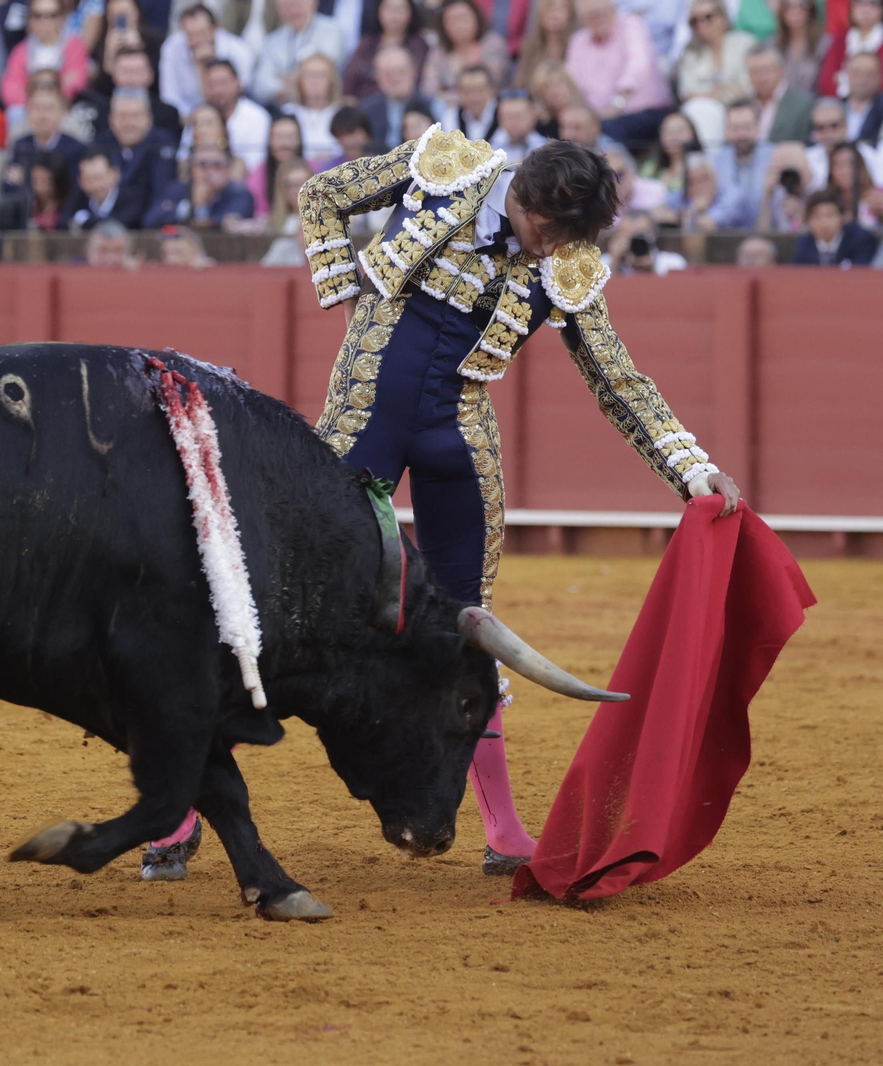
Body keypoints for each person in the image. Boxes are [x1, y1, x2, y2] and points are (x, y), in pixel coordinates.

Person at [254, 131, 736, 883]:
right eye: (552, 232)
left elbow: (618, 380)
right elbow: (321, 194)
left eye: (572, 239)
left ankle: (505, 829)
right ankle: (186, 802)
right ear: (527, 201)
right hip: (366, 414)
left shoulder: (567, 260)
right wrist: (343, 290)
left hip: (458, 434)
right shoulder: (447, 168)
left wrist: (693, 470)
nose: (556, 251)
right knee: (287, 593)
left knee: (471, 626)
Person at [564, 0, 672, 148]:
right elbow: (572, 81)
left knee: (602, 133)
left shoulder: (631, 26)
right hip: (596, 117)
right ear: (582, 20)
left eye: (602, 12)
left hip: (641, 112)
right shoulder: (578, 41)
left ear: (614, 10)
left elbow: (638, 65)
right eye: (591, 15)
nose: (598, 19)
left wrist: (616, 104)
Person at [676, 0, 756, 143]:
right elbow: (687, 94)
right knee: (701, 110)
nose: (702, 24)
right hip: (708, 114)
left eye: (708, 17)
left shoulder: (744, 44)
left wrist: (711, 94)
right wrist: (721, 92)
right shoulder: (690, 53)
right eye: (695, 20)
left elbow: (750, 87)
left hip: (744, 108)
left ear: (723, 17)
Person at [161, 4, 256, 117]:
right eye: (190, 35)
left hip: (233, 114)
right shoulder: (172, 47)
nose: (197, 40)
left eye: (202, 33)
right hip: (187, 118)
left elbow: (241, 90)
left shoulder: (239, 50)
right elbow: (170, 96)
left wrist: (208, 65)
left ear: (215, 28)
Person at [3, 0, 91, 121]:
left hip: (65, 107)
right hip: (29, 109)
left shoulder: (74, 46)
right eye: (38, 15)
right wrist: (38, 102)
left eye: (51, 15)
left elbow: (77, 81)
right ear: (30, 20)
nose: (45, 21)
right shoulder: (20, 51)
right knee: (15, 113)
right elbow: (10, 89)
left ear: (62, 18)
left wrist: (45, 98)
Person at [96, 88, 180, 206]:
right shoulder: (100, 145)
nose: (129, 123)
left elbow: (162, 194)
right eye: (122, 116)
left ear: (149, 118)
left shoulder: (163, 144)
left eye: (136, 116)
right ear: (111, 119)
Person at [420, 0, 509, 109]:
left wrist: (450, 97)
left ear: (476, 17)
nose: (459, 24)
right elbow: (428, 91)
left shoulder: (493, 44)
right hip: (447, 112)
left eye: (464, 17)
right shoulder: (439, 52)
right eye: (452, 20)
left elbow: (492, 86)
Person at [254, 0, 344, 104]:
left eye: (297, 4)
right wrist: (298, 83)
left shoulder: (332, 31)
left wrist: (286, 79)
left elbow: (325, 71)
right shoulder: (272, 40)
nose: (293, 10)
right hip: (281, 107)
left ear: (313, 4)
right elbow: (261, 83)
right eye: (287, 5)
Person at [145, 142, 255, 225]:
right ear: (192, 168)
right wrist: (190, 207)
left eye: (217, 165)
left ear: (227, 169)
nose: (209, 170)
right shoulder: (178, 189)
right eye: (203, 164)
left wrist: (201, 207)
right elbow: (151, 219)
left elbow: (228, 222)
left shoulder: (239, 193)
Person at [342, 0, 429, 102]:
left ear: (410, 12)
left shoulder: (419, 46)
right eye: (389, 9)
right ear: (379, 11)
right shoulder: (366, 44)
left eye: (400, 9)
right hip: (363, 104)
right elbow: (349, 82)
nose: (394, 15)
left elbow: (420, 84)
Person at [707, 99, 773, 226]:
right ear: (726, 130)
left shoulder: (774, 157)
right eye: (735, 128)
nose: (741, 134)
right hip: (723, 234)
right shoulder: (714, 161)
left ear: (758, 127)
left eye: (747, 127)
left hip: (769, 232)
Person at [198, 58, 273, 169]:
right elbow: (184, 156)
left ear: (237, 83)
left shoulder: (257, 117)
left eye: (223, 82)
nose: (218, 90)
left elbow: (255, 164)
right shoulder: (200, 115)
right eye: (211, 84)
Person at [6, 85, 87, 186]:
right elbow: (10, 184)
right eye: (37, 108)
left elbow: (75, 186)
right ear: (28, 113)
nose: (42, 115)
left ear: (61, 114)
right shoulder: (21, 145)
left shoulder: (76, 149)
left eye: (49, 109)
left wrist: (26, 179)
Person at [361, 46, 439, 147]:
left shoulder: (433, 106)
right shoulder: (366, 111)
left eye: (400, 71)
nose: (395, 78)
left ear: (413, 71)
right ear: (377, 77)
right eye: (387, 74)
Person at [637, 109, 701, 221]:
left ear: (693, 134)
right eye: (668, 132)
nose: (674, 137)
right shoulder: (650, 167)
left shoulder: (701, 167)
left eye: (680, 131)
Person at [746, 41, 814, 142]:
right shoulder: (745, 104)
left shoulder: (802, 104)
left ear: (781, 69)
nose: (761, 77)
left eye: (766, 70)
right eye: (754, 72)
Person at [791, 186, 880, 262]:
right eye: (817, 217)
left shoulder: (861, 240)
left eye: (830, 215)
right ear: (808, 220)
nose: (824, 222)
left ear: (842, 216)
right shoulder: (804, 244)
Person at [817, 0, 883, 97]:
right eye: (860, 3)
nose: (866, 9)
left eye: (873, 3)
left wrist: (843, 78)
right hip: (840, 100)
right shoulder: (841, 38)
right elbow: (826, 83)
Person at [286, 52, 344, 162]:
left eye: (321, 75)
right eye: (309, 75)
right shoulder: (288, 113)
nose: (314, 81)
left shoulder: (342, 113)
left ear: (332, 81)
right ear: (299, 80)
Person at [245, 112, 304, 220]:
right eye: (279, 137)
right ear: (269, 140)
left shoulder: (313, 171)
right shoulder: (258, 175)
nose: (285, 144)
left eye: (291, 137)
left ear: (300, 140)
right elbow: (258, 214)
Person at [0, 149, 72, 228]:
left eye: (43, 180)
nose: (37, 185)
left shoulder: (68, 207)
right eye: (35, 179)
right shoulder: (26, 206)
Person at [69, 147, 148, 227]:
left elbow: (119, 223)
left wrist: (83, 221)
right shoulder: (79, 199)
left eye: (100, 178)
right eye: (89, 180)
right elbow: (65, 221)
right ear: (80, 181)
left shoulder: (132, 199)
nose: (96, 185)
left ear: (115, 174)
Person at [514, 0, 575, 89]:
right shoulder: (530, 46)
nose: (555, 13)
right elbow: (521, 83)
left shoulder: (577, 45)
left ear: (570, 15)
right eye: (550, 7)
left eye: (562, 7)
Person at [603, 209, 687, 273]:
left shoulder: (673, 263)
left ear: (653, 235)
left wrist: (651, 268)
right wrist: (615, 263)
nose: (635, 242)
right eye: (628, 236)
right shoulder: (604, 264)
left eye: (640, 236)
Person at [774, 0, 828, 94]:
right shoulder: (772, 46)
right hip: (783, 100)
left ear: (811, 10)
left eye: (803, 5)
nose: (795, 10)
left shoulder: (825, 44)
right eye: (787, 5)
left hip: (815, 100)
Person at [826, 139, 883, 224]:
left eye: (851, 164)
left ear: (861, 166)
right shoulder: (825, 202)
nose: (845, 170)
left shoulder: (879, 196)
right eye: (839, 165)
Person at [489, 87, 547, 161]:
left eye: (518, 117)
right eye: (508, 117)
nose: (513, 123)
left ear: (534, 116)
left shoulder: (546, 149)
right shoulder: (491, 152)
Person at [804, 96, 849, 188]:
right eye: (820, 128)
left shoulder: (866, 156)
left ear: (846, 126)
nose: (828, 134)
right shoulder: (806, 160)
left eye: (834, 125)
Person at [445, 63, 498, 140]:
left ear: (491, 90)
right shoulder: (451, 117)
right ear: (459, 93)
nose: (474, 97)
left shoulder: (504, 115)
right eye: (468, 91)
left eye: (480, 90)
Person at [840, 52, 883, 142]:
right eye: (856, 73)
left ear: (879, 76)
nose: (863, 79)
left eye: (869, 74)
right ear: (847, 74)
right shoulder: (835, 106)